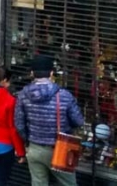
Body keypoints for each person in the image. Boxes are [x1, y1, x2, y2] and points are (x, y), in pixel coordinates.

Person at [14, 56, 84, 186]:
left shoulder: (23, 95)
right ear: (52, 73)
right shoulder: (64, 95)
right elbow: (78, 121)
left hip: (34, 148)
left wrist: (28, 141)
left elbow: (19, 124)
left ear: (32, 73)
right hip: (60, 148)